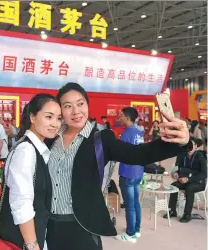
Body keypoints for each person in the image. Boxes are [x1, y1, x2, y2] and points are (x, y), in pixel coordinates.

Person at [46, 82, 190, 250]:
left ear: (87, 104)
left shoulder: (100, 139)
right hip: (48, 224)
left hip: (82, 225)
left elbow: (138, 154)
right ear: (60, 110)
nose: (76, 111)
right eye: (67, 106)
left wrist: (178, 143)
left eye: (80, 104)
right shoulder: (51, 137)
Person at [0, 94, 62, 250]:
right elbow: (21, 203)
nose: (55, 124)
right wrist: (32, 245)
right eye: (49, 117)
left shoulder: (37, 149)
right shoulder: (26, 151)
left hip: (34, 235)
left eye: (58, 118)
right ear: (32, 117)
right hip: (21, 241)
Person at [116, 107, 144, 243]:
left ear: (127, 118)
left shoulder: (126, 133)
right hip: (138, 172)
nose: (119, 118)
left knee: (130, 205)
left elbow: (121, 153)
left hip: (127, 172)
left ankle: (130, 234)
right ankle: (137, 230)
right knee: (136, 203)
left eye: (121, 116)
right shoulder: (139, 132)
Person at [164, 138, 207, 223]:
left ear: (196, 146)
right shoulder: (183, 155)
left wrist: (188, 179)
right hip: (184, 180)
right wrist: (176, 173)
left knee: (189, 188)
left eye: (193, 145)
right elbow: (179, 168)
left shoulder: (201, 157)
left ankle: (187, 214)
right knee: (174, 186)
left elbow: (204, 174)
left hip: (198, 182)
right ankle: (173, 210)